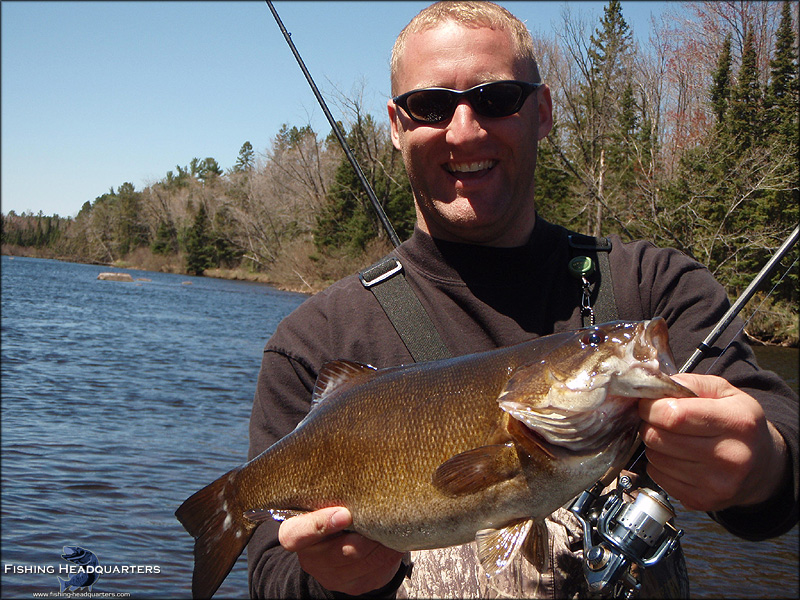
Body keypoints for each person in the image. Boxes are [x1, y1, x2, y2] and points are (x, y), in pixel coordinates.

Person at [247, 1, 798, 597]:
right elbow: (268, 572)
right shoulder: (315, 341)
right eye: (430, 106)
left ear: (542, 111)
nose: (464, 130)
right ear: (397, 125)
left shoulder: (653, 286)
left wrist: (760, 465)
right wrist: (332, 580)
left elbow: (784, 441)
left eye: (495, 98)